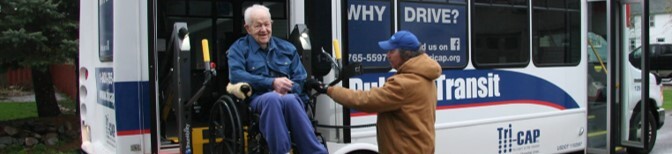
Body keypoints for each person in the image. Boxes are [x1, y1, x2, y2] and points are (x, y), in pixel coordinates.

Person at [309, 30, 441, 154]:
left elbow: (365, 100)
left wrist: (328, 89)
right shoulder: (425, 77)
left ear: (406, 54)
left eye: (392, 51)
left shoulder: (404, 84)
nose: (387, 55)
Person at [227, 4, 327, 154]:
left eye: (267, 24)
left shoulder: (287, 48)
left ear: (271, 24)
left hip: (289, 96)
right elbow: (236, 75)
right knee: (272, 99)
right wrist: (272, 83)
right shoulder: (239, 49)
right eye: (258, 26)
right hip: (258, 99)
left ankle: (316, 152)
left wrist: (287, 88)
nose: (264, 30)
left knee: (290, 99)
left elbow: (300, 78)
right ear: (248, 28)